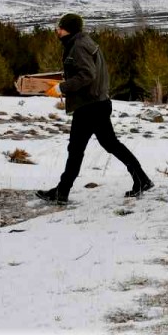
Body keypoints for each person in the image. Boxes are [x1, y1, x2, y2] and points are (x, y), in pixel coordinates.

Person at [36, 13, 153, 204]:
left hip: (89, 106)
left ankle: (62, 192)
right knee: (110, 144)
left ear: (69, 29)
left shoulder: (78, 46)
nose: (57, 30)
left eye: (60, 27)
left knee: (76, 150)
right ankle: (142, 179)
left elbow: (87, 75)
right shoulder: (84, 42)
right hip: (98, 103)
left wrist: (62, 88)